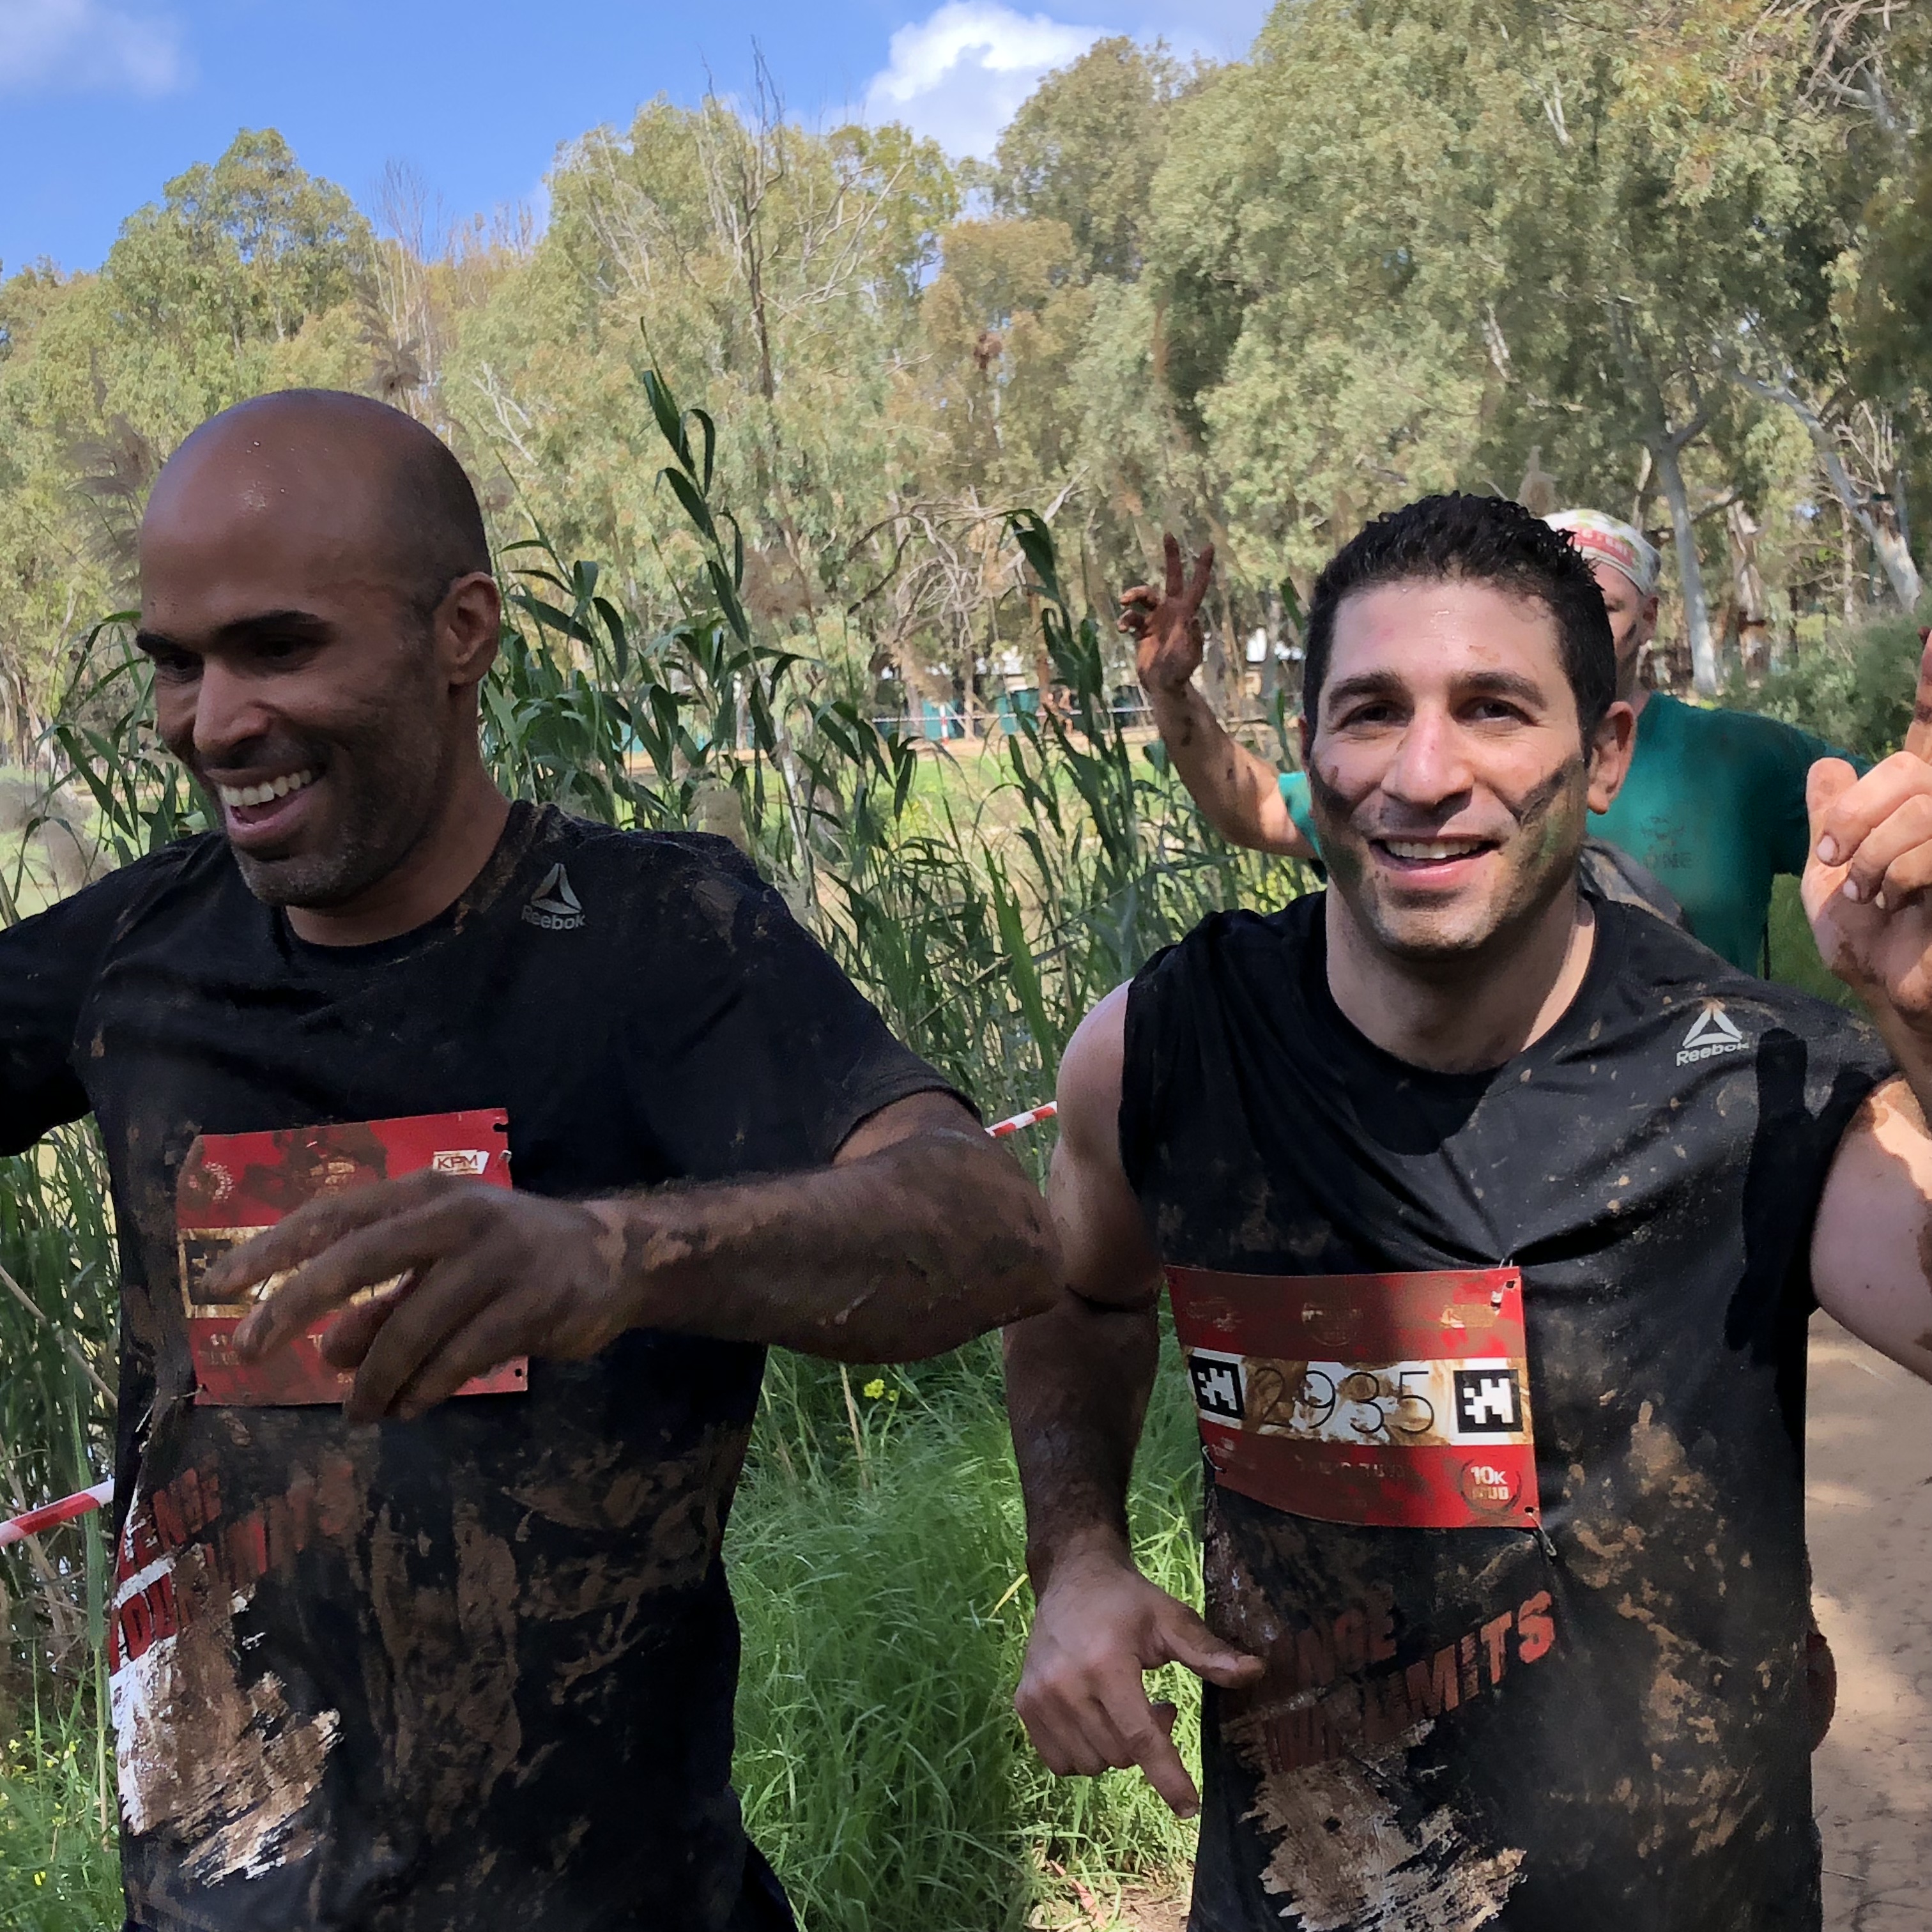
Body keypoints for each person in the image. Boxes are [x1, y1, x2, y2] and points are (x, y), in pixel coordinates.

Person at [0, 389, 1058, 1932]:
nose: (213, 723)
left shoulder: (655, 935)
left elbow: (988, 1229)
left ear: (464, 632)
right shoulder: (138, 949)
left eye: (282, 648)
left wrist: (615, 1255)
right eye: (176, 662)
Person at [1004, 493, 1932, 1930]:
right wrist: (1076, 1553)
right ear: (1311, 748)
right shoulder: (1164, 1052)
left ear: (1606, 750)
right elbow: (1080, 1297)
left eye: (1495, 710)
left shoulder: (1758, 1076)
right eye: (1371, 712)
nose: (1423, 773)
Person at [1135, 510, 1855, 973]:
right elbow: (1255, 808)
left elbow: (1889, 833)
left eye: (1603, 604)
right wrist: (1172, 693)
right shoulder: (1409, 775)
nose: (1429, 781)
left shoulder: (1744, 760)